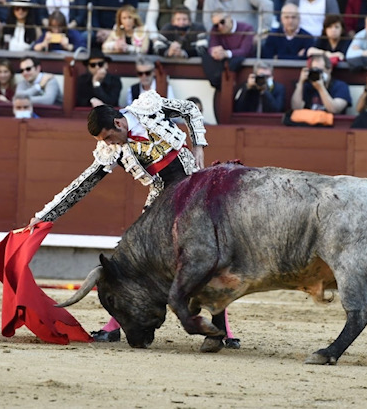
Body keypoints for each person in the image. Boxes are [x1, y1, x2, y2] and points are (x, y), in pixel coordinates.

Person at [27, 91, 242, 347]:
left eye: (109, 137)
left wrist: (198, 147)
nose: (109, 143)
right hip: (161, 202)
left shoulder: (148, 108)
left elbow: (189, 109)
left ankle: (224, 332)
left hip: (194, 190)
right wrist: (44, 216)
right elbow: (82, 184)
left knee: (209, 259)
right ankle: (113, 327)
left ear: (118, 123)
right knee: (132, 265)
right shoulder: (110, 150)